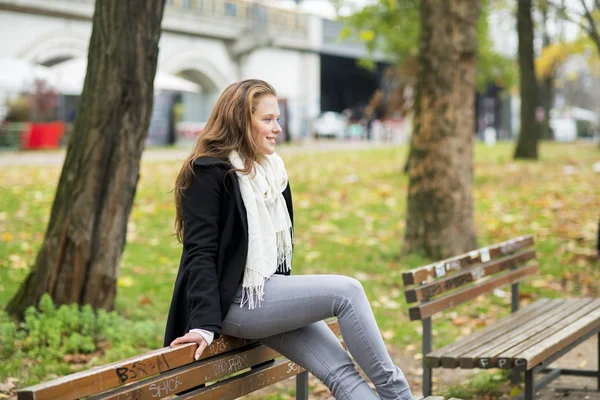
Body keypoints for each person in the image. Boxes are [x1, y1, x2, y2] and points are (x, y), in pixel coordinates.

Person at [164, 79, 413, 400]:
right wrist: (202, 326)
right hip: (236, 304)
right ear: (240, 121)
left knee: (341, 372)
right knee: (348, 292)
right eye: (267, 119)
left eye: (277, 118)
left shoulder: (271, 172)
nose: (277, 128)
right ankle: (400, 395)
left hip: (267, 294)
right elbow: (199, 253)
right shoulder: (209, 172)